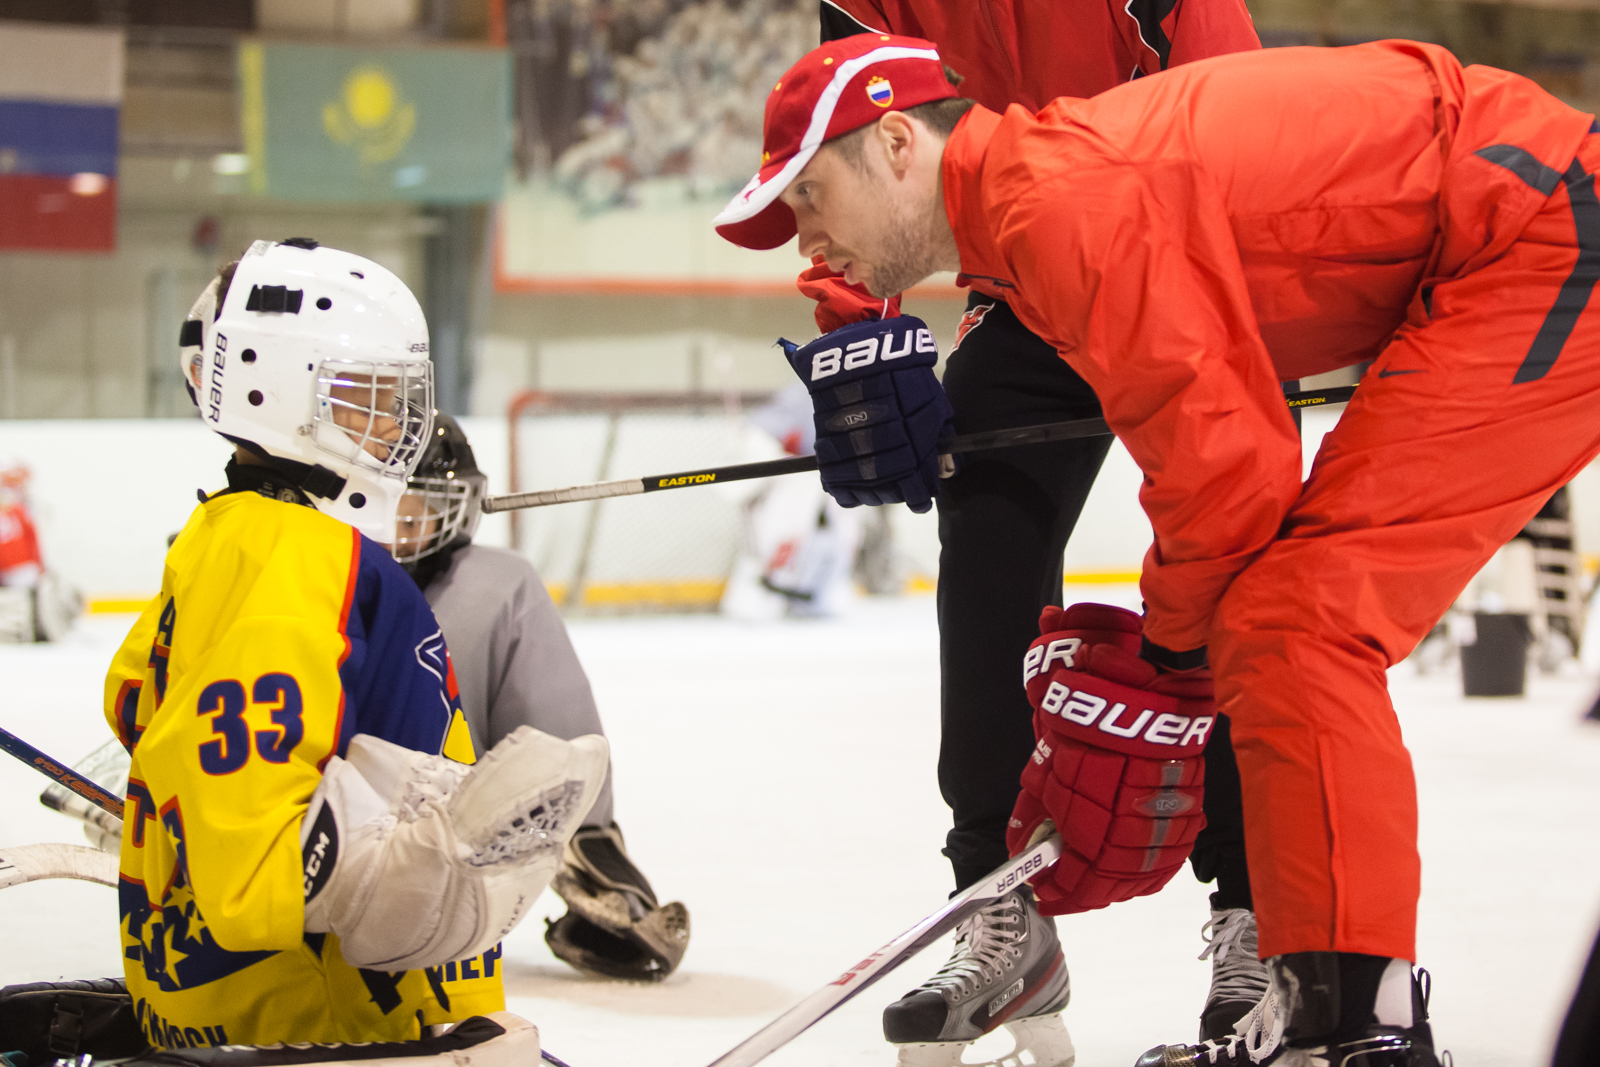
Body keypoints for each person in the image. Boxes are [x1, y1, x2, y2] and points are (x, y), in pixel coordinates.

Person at [714, 31, 1600, 1063]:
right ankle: (1332, 1009)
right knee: (1282, 619)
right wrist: (1166, 671)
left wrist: (1159, 678)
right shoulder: (1028, 216)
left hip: (1538, 226)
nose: (804, 242)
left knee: (1299, 622)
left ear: (900, 144)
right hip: (1504, 232)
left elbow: (1229, 474)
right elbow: (1220, 456)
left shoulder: (1055, 204)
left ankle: (1353, 1024)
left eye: (811, 197)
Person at [781, 3, 1267, 1061]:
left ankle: (1255, 913)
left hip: (1184, 249)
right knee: (987, 519)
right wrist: (859, 318)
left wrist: (1245, 273)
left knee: (1233, 554)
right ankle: (996, 909)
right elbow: (860, 141)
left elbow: (1225, 101)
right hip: (1021, 266)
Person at [104, 238, 609, 1049]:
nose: (396, 426)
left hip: (223, 995)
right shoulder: (302, 555)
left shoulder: (220, 532)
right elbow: (257, 873)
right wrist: (427, 866)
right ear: (275, 389)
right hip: (316, 1021)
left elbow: (137, 701)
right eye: (365, 397)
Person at [386, 415, 691, 982]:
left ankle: (588, 848)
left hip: (435, 825)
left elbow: (555, 729)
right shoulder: (294, 568)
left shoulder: (490, 588)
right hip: (305, 818)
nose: (400, 525)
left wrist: (574, 822)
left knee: (499, 582)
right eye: (385, 506)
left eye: (415, 507)